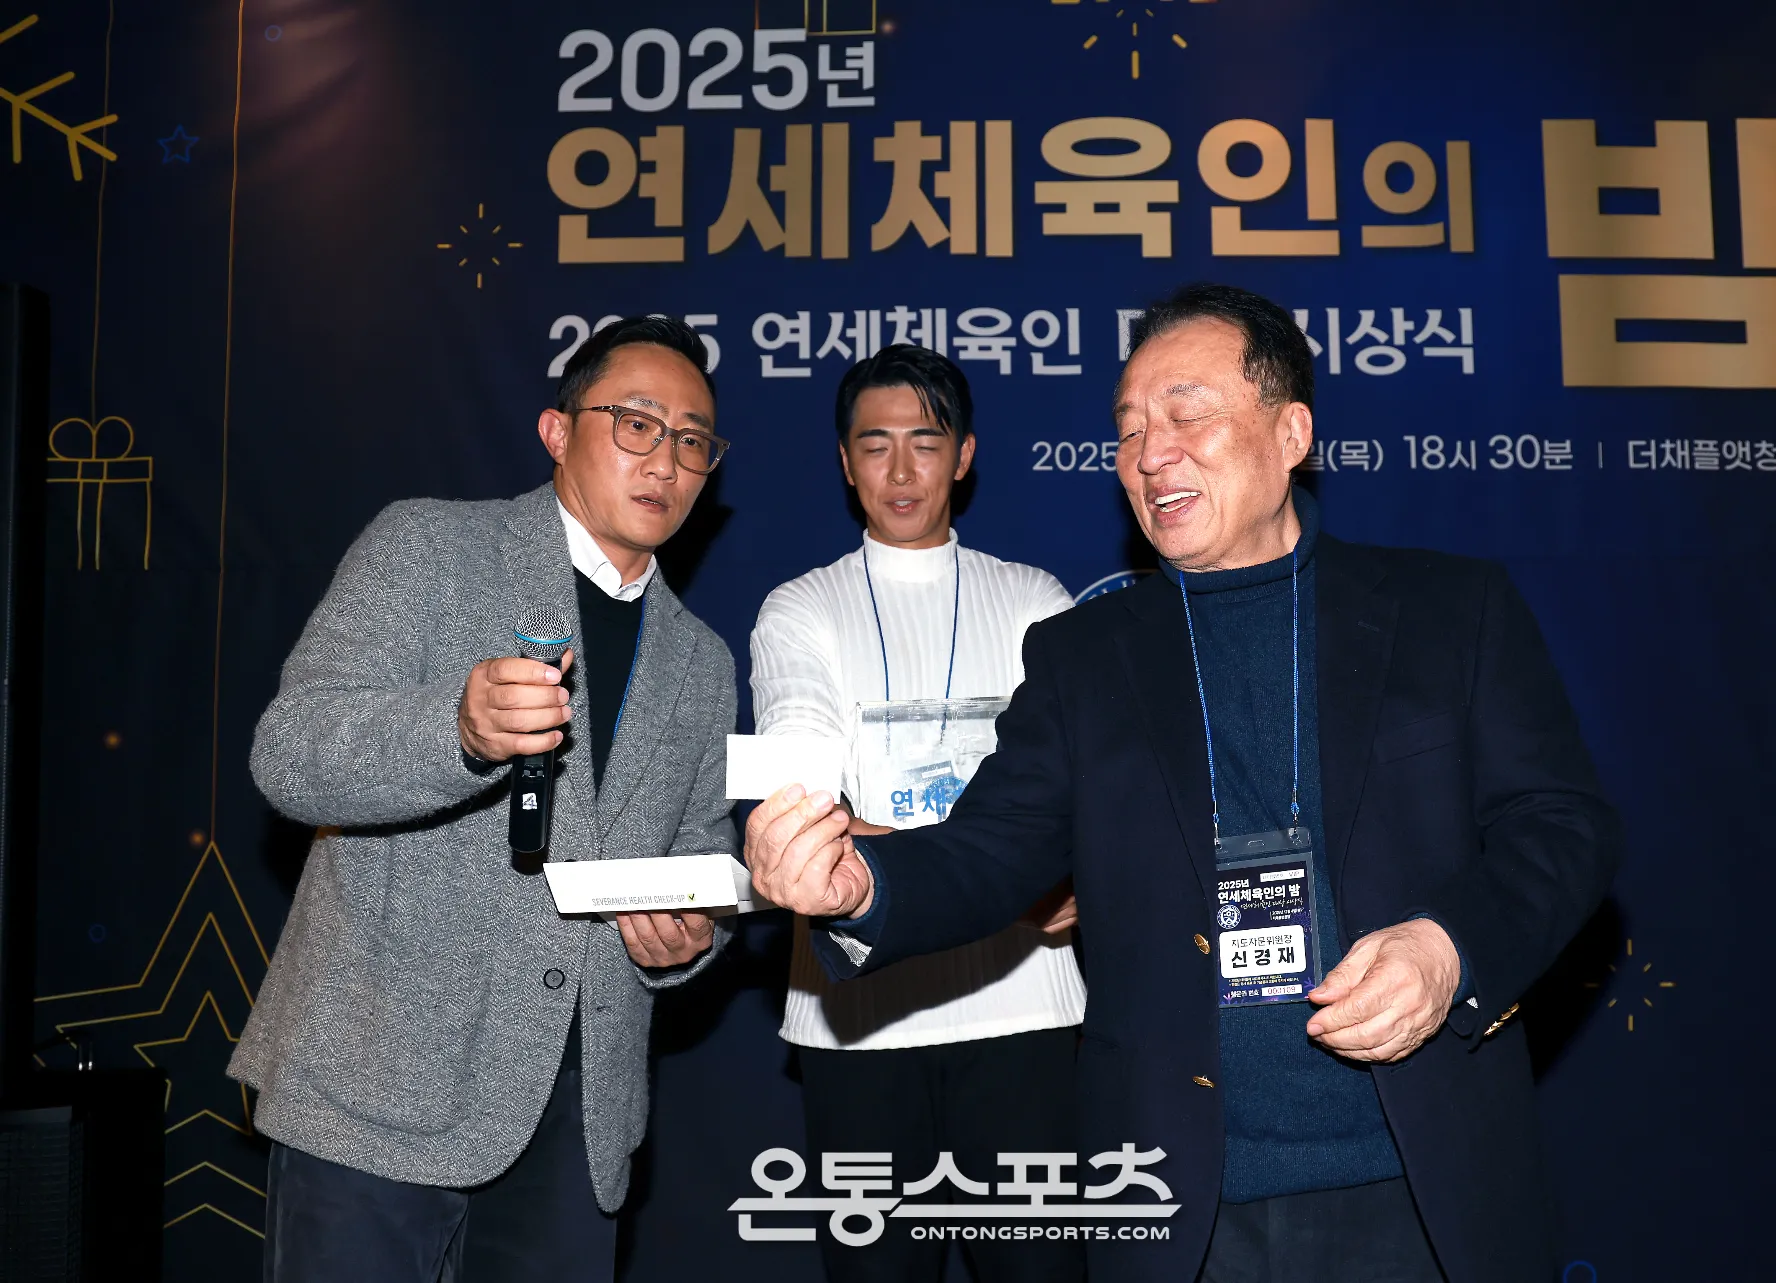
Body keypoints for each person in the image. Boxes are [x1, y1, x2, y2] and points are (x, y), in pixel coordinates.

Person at [745, 285, 1622, 1283]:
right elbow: (990, 847)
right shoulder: (1085, 655)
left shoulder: (1448, 610)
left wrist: (1446, 947)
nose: (1149, 454)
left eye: (1186, 415)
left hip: (1422, 1190)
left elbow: (1563, 825)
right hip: (1181, 1206)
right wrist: (860, 883)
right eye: (1128, 430)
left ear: (1291, 433)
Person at [230, 315, 740, 1282]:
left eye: (691, 440)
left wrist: (690, 936)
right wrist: (456, 732)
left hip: (577, 1113)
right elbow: (290, 753)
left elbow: (699, 850)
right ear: (558, 430)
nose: (665, 460)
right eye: (636, 423)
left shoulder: (703, 661)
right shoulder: (428, 545)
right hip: (378, 1086)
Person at [749, 344, 1087, 1283]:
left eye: (926, 443)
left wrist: (1060, 870)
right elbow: (803, 783)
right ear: (844, 460)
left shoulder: (1034, 599)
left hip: (1025, 1012)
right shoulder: (799, 608)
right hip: (857, 1025)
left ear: (964, 455)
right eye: (875, 445)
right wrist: (1007, 868)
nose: (901, 471)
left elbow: (1076, 791)